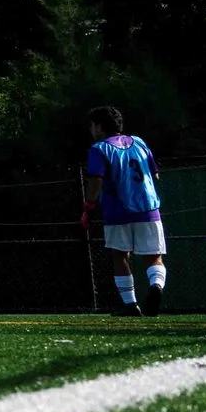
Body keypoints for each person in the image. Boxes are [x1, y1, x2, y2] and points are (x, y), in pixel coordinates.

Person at [84, 106, 167, 316]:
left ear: (100, 126)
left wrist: (88, 206)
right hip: (148, 209)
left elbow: (95, 181)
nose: (91, 130)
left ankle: (130, 304)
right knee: (153, 257)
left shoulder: (99, 148)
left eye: (93, 125)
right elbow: (154, 175)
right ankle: (156, 286)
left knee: (119, 256)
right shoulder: (139, 142)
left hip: (117, 211)